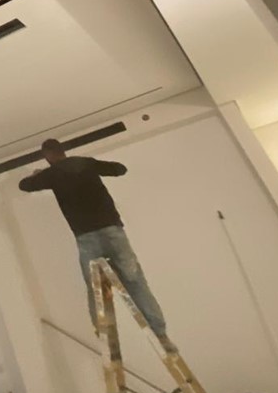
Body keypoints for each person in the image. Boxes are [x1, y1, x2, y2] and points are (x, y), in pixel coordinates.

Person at [18, 138, 175, 351]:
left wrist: (37, 175)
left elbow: (24, 186)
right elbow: (119, 169)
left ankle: (105, 337)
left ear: (47, 156)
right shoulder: (85, 163)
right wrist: (94, 169)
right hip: (113, 232)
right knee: (135, 281)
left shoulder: (51, 174)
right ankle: (161, 335)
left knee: (96, 288)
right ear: (63, 151)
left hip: (86, 238)